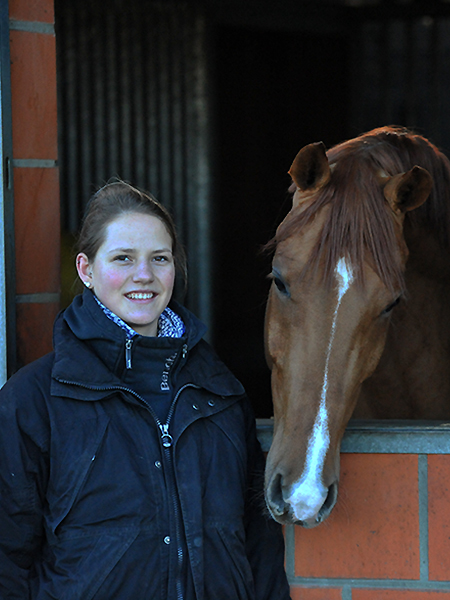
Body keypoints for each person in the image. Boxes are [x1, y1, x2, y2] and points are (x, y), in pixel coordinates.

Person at [0, 181, 291, 600]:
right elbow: (8, 560)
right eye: (123, 258)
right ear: (86, 270)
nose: (144, 275)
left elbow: (260, 550)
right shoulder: (33, 401)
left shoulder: (219, 393)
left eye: (159, 258)